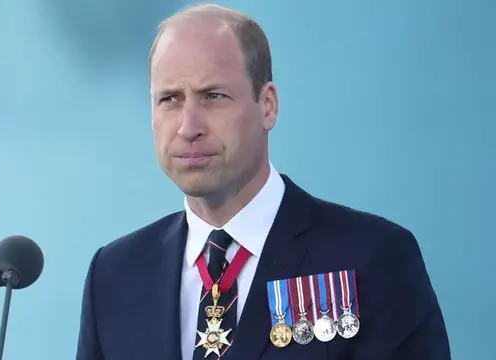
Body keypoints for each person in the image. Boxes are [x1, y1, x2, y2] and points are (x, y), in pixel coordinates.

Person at [75, 3, 451, 360]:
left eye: (213, 96)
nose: (188, 128)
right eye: (170, 99)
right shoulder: (114, 275)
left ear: (267, 104)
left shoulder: (372, 258)